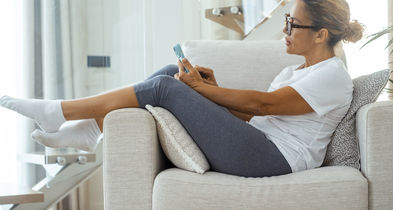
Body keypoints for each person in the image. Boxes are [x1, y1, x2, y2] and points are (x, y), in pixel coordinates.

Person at [0, 0, 364, 178]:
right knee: (170, 74)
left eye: (292, 24)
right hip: (258, 143)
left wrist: (200, 93)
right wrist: (211, 88)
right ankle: (90, 128)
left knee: (164, 88)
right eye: (286, 22)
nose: (285, 30)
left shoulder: (332, 75)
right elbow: (253, 115)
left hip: (274, 160)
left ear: (320, 34)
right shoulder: (297, 70)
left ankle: (60, 113)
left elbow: (264, 105)